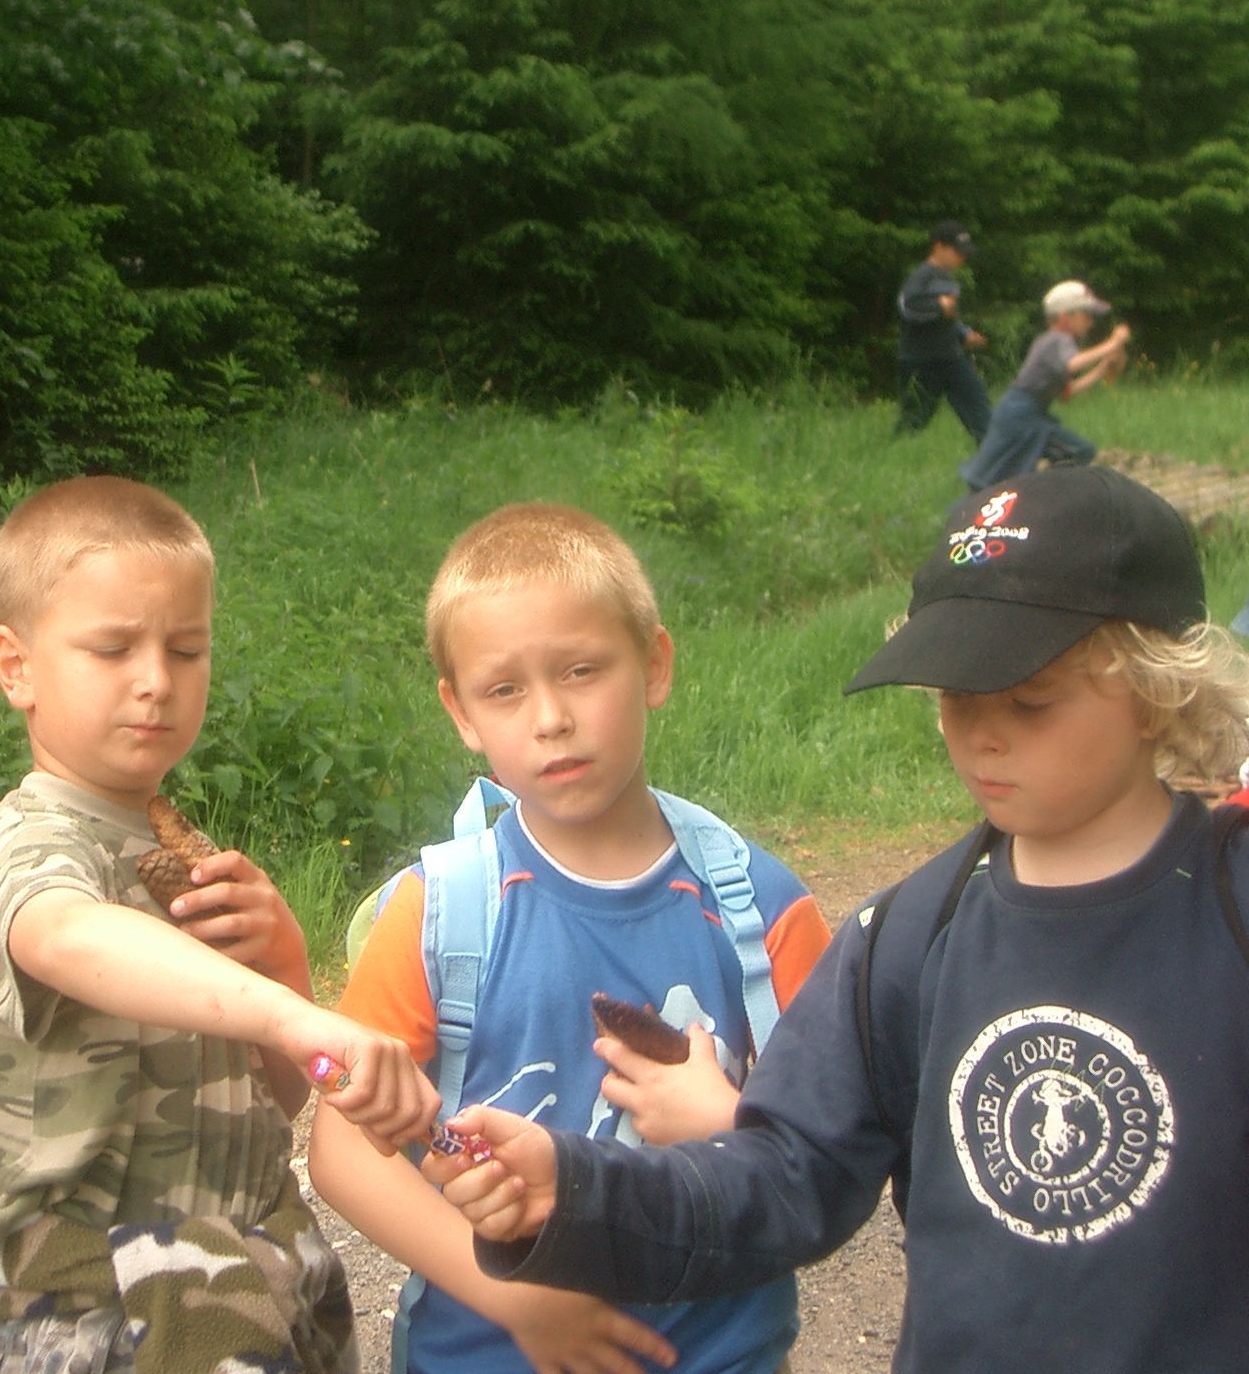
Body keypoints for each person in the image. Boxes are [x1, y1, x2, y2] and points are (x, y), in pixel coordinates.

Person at [424, 466, 1249, 1372]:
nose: (982, 733)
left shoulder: (1230, 909)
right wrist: (578, 1190)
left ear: (1159, 687)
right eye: (956, 695)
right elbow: (788, 1175)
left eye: (1028, 699)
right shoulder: (907, 936)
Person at [309, 503, 830, 1374]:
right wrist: (519, 1303)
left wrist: (733, 1127)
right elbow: (340, 1151)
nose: (550, 717)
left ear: (654, 665)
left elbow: (836, 1158)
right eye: (504, 690)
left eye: (582, 670)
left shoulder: (762, 911)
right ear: (461, 712)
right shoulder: (438, 913)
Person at [0, 476, 441, 1374]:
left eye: (187, 649)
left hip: (251, 1268)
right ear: (16, 667)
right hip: (98, 1300)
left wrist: (285, 964)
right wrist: (291, 1015)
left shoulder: (185, 852)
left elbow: (269, 1104)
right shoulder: (29, 842)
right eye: (112, 649)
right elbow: (64, 935)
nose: (156, 682)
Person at [958, 280, 1129, 490]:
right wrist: (1113, 343)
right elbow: (1072, 364)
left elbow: (1067, 393)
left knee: (1000, 476)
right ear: (1065, 316)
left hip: (1024, 413)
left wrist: (1102, 368)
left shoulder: (1053, 343)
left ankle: (1044, 494)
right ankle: (1045, 495)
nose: (1091, 322)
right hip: (1021, 415)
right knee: (996, 480)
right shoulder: (1057, 340)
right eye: (1086, 315)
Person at [894, 221, 993, 442]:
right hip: (921, 361)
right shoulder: (921, 277)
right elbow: (907, 306)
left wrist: (964, 334)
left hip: (950, 357)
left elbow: (949, 319)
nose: (962, 258)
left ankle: (995, 456)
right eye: (958, 252)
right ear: (939, 247)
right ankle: (892, 453)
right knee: (914, 419)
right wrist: (939, 306)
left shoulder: (949, 278)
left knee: (979, 407)